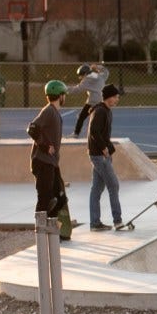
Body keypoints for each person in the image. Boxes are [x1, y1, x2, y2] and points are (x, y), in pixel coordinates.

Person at [29, 80, 69, 221]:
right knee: (45, 199)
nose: (65, 97)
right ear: (60, 95)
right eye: (64, 95)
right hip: (42, 161)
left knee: (59, 198)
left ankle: (52, 232)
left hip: (51, 163)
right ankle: (40, 232)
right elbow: (32, 129)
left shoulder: (54, 112)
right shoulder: (49, 111)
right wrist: (45, 146)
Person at [88, 84, 125, 231]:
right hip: (99, 156)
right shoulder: (100, 111)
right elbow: (93, 131)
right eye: (115, 97)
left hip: (102, 155)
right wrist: (104, 148)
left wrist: (109, 148)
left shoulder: (107, 111)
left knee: (96, 189)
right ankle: (118, 221)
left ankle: (95, 223)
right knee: (113, 186)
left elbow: (103, 134)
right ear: (109, 97)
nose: (117, 99)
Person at [69, 62, 109, 138]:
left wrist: (65, 89)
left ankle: (76, 133)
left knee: (81, 116)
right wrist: (97, 67)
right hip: (102, 100)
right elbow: (106, 72)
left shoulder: (87, 79)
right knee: (99, 118)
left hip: (93, 102)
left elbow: (78, 89)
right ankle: (102, 134)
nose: (81, 77)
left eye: (81, 75)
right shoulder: (100, 76)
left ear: (85, 74)